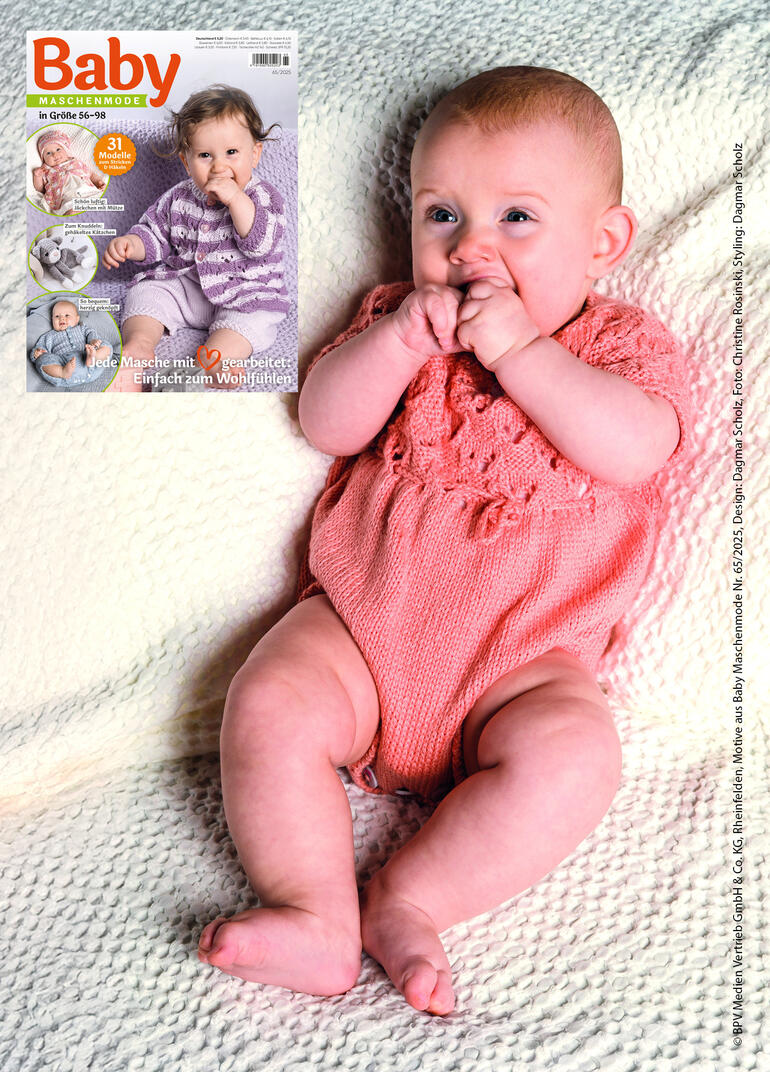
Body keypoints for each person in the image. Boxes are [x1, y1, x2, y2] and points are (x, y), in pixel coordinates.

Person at [197, 66, 689, 1015]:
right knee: (268, 700)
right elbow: (328, 424)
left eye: (517, 219)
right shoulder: (397, 322)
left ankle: (409, 899)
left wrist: (523, 351)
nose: (471, 249)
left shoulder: (619, 348)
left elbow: (637, 450)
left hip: (521, 670)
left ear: (603, 243)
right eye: (441, 216)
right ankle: (314, 913)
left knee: (577, 758)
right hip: (362, 636)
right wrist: (394, 346)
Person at [103, 85, 289, 391]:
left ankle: (213, 363)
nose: (219, 166)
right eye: (205, 155)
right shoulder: (179, 197)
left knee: (246, 327)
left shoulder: (262, 196)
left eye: (232, 152)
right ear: (187, 162)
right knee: (148, 291)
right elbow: (156, 233)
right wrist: (132, 245)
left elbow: (260, 243)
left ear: (254, 153)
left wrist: (236, 200)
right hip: (190, 287)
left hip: (248, 295)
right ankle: (137, 347)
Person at [31, 299, 112, 385]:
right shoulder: (49, 336)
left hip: (88, 361)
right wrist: (37, 352)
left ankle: (94, 358)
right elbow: (40, 347)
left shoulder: (82, 328)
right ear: (52, 319)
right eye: (57, 316)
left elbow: (91, 334)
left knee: (106, 345)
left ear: (77, 319)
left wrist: (93, 342)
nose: (62, 318)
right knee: (41, 360)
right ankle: (62, 372)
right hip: (64, 366)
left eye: (67, 315)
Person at [33, 129, 105, 215]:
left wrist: (98, 182)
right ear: (43, 158)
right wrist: (37, 176)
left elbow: (90, 174)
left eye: (58, 149)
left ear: (65, 150)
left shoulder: (75, 161)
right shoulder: (46, 170)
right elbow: (40, 189)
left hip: (86, 190)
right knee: (71, 211)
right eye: (48, 153)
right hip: (65, 197)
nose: (54, 155)